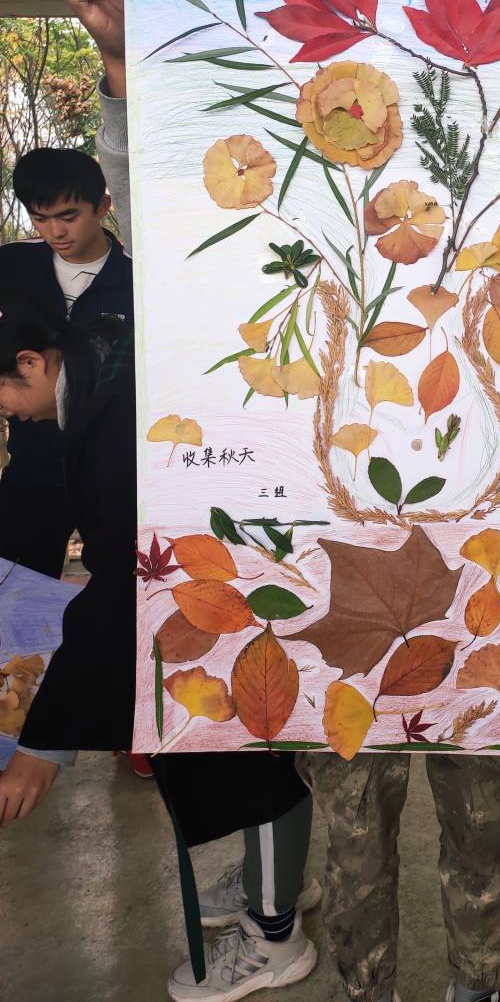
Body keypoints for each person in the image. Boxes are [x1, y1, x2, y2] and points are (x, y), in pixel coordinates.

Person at [51, 0, 500, 1002]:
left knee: (479, 827)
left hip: (493, 566)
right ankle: (365, 987)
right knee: (354, 837)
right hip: (333, 569)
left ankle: (475, 985)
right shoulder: (311, 243)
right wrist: (130, 75)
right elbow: (186, 237)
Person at [0, 287, 320, 1000]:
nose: (8, 418)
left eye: (3, 400)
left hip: (232, 579)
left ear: (30, 362)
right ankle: (277, 878)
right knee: (246, 746)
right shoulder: (105, 360)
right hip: (227, 563)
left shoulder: (117, 421)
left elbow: (127, 582)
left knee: (248, 748)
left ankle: (276, 937)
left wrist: (43, 744)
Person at [0, 149, 132, 579]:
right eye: (40, 218)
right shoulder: (11, 265)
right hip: (32, 467)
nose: (55, 231)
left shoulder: (137, 278)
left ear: (103, 205)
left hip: (111, 473)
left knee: (118, 581)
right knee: (13, 585)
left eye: (68, 216)